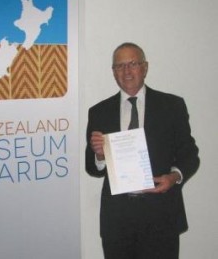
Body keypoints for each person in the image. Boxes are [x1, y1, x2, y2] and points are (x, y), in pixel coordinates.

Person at [85, 42, 199, 259]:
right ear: (113, 72)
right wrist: (100, 155)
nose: (126, 71)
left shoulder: (172, 106)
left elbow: (190, 154)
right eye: (119, 66)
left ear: (145, 68)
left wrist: (174, 177)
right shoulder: (99, 111)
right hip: (117, 220)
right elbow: (93, 168)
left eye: (132, 64)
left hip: (161, 215)